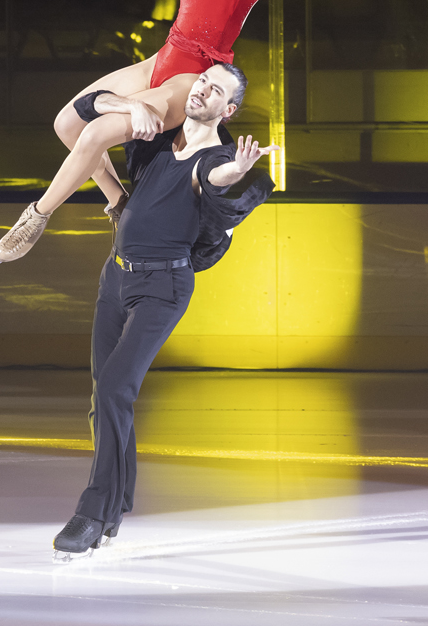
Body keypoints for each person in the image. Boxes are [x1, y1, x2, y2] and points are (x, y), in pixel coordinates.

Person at [0, 0, 413, 264]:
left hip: (193, 73)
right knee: (66, 122)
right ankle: (120, 204)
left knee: (96, 134)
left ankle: (37, 215)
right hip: (162, 56)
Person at [50, 63, 276, 558]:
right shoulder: (154, 139)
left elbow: (216, 177)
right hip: (116, 278)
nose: (202, 90)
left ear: (228, 109)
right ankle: (115, 504)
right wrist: (129, 104)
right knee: (102, 396)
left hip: (163, 286)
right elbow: (82, 111)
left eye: (216, 89)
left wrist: (236, 172)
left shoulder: (213, 158)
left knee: (114, 388)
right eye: (202, 81)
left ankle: (91, 513)